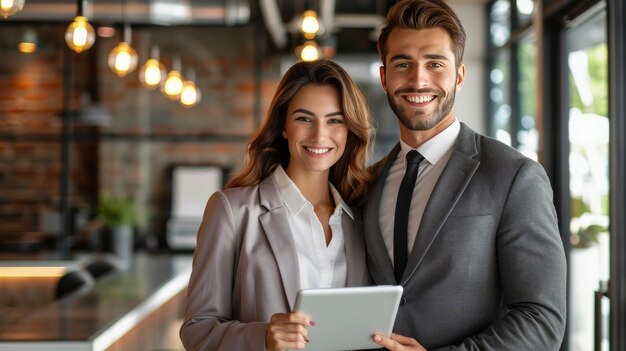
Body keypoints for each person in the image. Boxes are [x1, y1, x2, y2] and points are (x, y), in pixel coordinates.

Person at [364, 1, 567, 350]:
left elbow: (541, 318)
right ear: (384, 77)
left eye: (435, 64)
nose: (418, 79)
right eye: (402, 64)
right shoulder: (367, 183)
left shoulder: (515, 176)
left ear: (458, 75)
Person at [180, 59, 373, 351]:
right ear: (283, 125)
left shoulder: (361, 217)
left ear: (349, 130)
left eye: (335, 120)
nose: (320, 135)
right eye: (304, 118)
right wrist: (264, 337)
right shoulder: (233, 211)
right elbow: (198, 331)